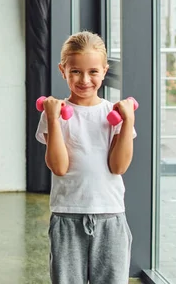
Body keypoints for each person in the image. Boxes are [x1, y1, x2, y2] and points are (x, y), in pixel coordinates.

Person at [35, 31, 137, 284]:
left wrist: (128, 121)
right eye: (76, 72)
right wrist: (52, 119)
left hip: (110, 215)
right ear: (63, 70)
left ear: (104, 70)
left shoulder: (112, 114)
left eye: (93, 71)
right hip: (68, 215)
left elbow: (118, 166)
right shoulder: (54, 113)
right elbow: (59, 167)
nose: (85, 79)